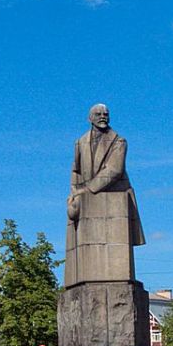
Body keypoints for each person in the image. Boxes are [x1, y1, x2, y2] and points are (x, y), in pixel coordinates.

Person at [66, 103, 144, 246]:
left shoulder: (119, 141)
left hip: (114, 194)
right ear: (90, 119)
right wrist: (74, 191)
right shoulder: (80, 142)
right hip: (86, 199)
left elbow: (114, 170)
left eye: (105, 114)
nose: (103, 117)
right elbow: (76, 170)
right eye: (98, 114)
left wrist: (88, 189)